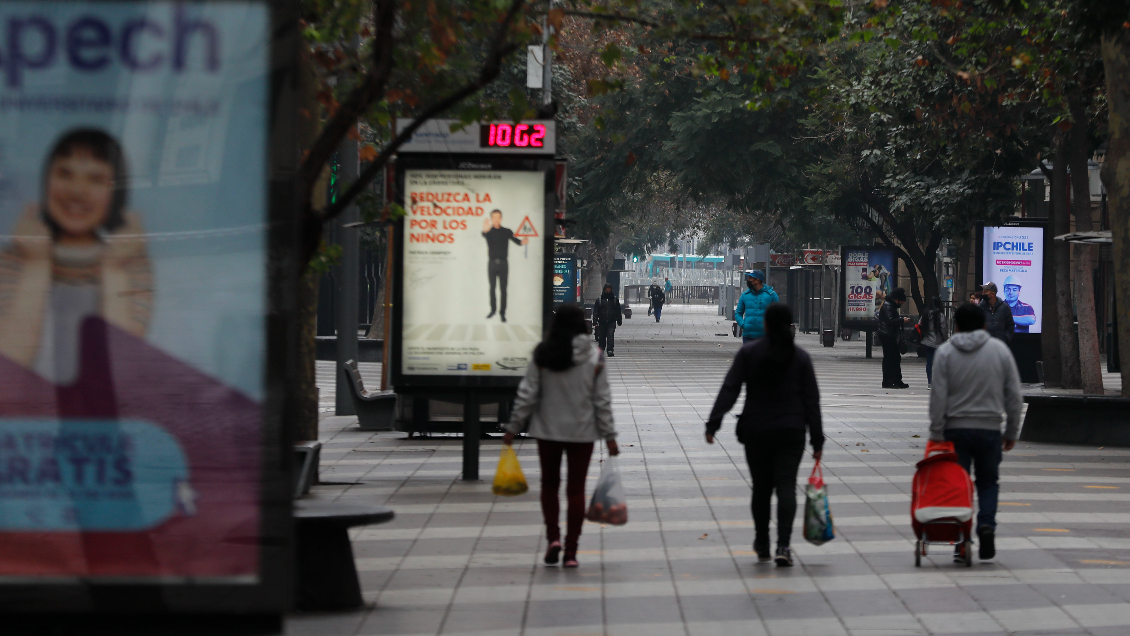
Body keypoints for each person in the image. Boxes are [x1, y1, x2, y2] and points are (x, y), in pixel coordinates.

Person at [0, 128, 152, 383]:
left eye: (95, 179)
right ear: (46, 182)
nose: (77, 191)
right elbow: (7, 368)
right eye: (65, 173)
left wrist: (113, 269)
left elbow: (121, 369)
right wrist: (36, 264)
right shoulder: (17, 257)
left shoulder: (130, 263)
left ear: (115, 195)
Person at [705, 303, 824, 567]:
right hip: (791, 431)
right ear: (790, 325)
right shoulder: (801, 358)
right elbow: (811, 401)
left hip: (756, 430)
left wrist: (713, 423)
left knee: (761, 488)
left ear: (767, 324)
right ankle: (784, 544)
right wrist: (817, 439)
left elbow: (730, 389)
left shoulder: (750, 353)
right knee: (785, 486)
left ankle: (762, 542)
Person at [502, 304, 618, 568]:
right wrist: (609, 436)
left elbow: (527, 394)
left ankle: (553, 538)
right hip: (583, 432)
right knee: (576, 490)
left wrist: (512, 427)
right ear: (582, 325)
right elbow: (602, 401)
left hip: (548, 431)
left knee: (550, 485)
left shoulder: (543, 353)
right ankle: (571, 552)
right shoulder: (595, 356)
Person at [928, 302, 1021, 562]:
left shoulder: (945, 352)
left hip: (955, 431)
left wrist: (936, 431)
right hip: (990, 429)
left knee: (959, 486)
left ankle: (961, 540)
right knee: (988, 482)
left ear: (956, 325)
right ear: (983, 325)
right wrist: (1011, 430)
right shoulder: (999, 350)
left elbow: (938, 396)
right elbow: (1013, 394)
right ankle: (987, 524)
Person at [482, 209, 528, 322]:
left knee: (503, 289)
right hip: (492, 263)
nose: (496, 219)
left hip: (503, 264)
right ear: (492, 219)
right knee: (492, 288)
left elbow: (516, 241)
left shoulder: (507, 231)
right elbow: (484, 233)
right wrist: (485, 230)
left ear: (501, 218)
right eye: (494, 217)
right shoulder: (489, 232)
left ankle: (502, 313)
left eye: (498, 217)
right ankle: (493, 310)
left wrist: (523, 242)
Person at [878, 287, 910, 389]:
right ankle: (888, 381)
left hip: (890, 335)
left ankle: (897, 380)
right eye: (901, 302)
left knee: (895, 358)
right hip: (887, 335)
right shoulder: (888, 306)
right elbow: (890, 321)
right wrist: (901, 320)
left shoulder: (890, 305)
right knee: (889, 358)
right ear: (896, 300)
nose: (900, 305)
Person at [735, 270, 779, 343]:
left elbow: (778, 314)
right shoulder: (745, 295)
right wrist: (743, 325)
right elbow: (738, 313)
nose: (748, 280)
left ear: (757, 280)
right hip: (748, 336)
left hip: (765, 336)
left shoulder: (771, 295)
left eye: (750, 278)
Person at [918, 296, 948, 389]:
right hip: (938, 342)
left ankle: (930, 383)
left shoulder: (925, 314)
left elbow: (920, 325)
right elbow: (944, 329)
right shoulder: (940, 315)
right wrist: (945, 339)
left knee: (929, 362)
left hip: (927, 341)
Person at [592, 283, 622, 357]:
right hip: (602, 321)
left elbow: (618, 310)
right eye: (607, 291)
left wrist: (619, 320)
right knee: (602, 337)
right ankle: (601, 350)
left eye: (609, 291)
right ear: (604, 290)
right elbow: (596, 311)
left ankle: (610, 350)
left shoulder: (614, 299)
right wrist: (595, 321)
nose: (608, 292)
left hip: (611, 321)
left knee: (610, 336)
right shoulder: (600, 300)